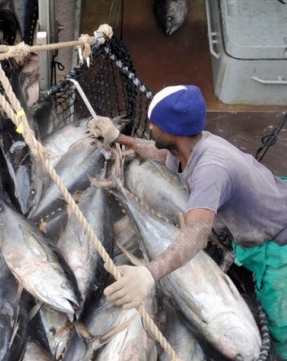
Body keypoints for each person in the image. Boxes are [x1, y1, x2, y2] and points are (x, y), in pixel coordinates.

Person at [89, 84, 287, 359]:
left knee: (283, 328)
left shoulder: (210, 170)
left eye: (153, 123)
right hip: (268, 211)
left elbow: (196, 235)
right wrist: (118, 137)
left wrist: (150, 273)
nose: (149, 126)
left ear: (171, 132)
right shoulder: (195, 143)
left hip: (279, 246)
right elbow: (161, 153)